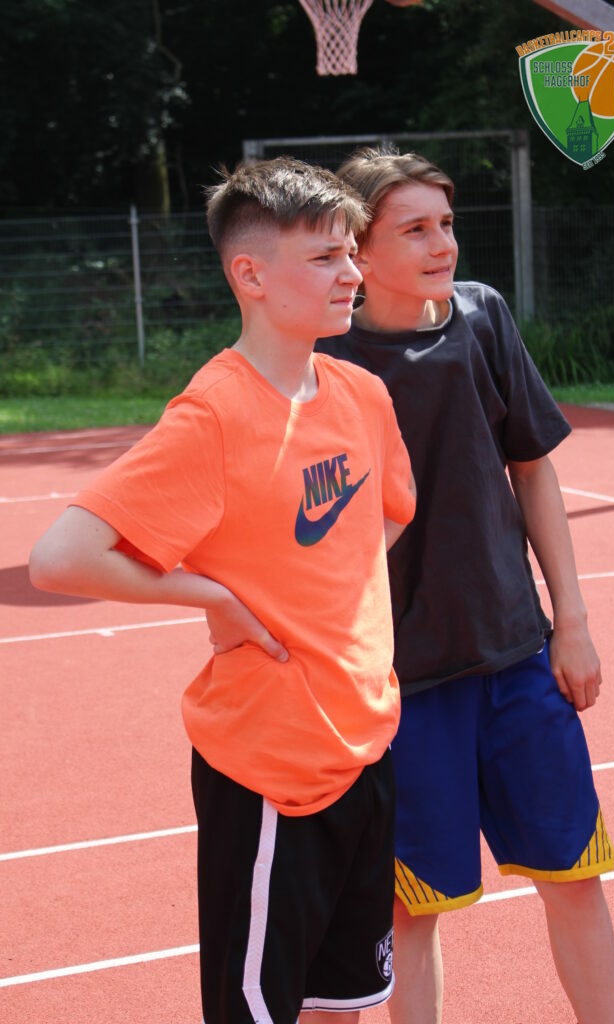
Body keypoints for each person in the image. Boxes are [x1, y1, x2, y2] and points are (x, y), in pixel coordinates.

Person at [29, 156, 416, 1024]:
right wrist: (214, 597)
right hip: (268, 766)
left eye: (350, 253)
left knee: (342, 1002)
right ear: (251, 273)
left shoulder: (362, 394)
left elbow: (390, 514)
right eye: (324, 257)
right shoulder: (214, 415)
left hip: (365, 746)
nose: (352, 273)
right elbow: (60, 558)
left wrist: (320, 597)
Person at [316, 147, 614, 1024]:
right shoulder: (327, 358)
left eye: (446, 224)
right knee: (410, 910)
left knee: (574, 876)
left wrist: (571, 622)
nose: (442, 243)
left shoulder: (482, 316)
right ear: (357, 250)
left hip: (516, 655)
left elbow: (531, 470)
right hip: (402, 682)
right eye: (414, 229)